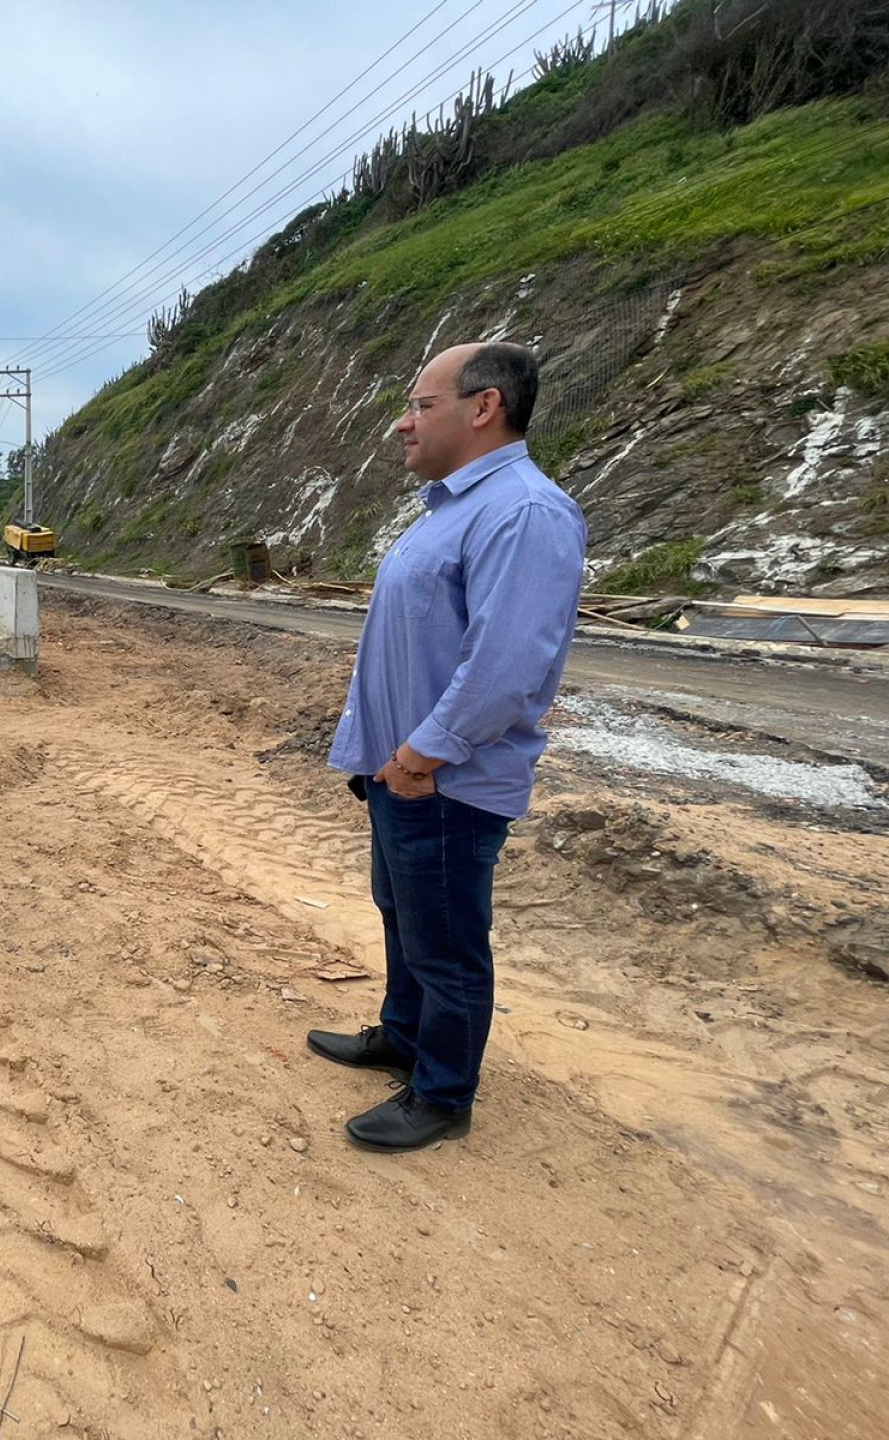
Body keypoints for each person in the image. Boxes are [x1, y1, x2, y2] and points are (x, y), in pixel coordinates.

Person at [311, 341, 586, 1153]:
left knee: (448, 945)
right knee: (404, 918)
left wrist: (419, 758)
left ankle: (442, 1094)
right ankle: (403, 1037)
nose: (403, 422)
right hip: (401, 775)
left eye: (420, 404)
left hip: (441, 783)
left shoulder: (524, 512)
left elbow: (506, 667)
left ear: (483, 407)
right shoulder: (454, 506)